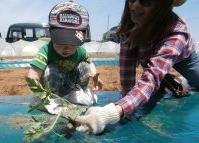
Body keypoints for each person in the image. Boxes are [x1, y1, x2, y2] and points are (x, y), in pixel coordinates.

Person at [74, 0, 199, 134]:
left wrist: (109, 113)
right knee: (153, 92)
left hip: (184, 60)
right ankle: (164, 76)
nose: (135, 5)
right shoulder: (128, 27)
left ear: (163, 6)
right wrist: (124, 107)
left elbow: (151, 79)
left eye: (146, 1)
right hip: (148, 56)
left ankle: (179, 79)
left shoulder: (177, 31)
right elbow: (127, 71)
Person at [27, 1, 102, 107]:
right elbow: (32, 77)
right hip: (52, 86)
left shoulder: (80, 51)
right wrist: (41, 94)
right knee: (50, 69)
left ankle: (77, 94)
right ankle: (51, 98)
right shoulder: (46, 51)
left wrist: (95, 76)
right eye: (61, 42)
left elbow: (90, 63)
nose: (66, 48)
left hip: (71, 84)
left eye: (72, 43)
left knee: (84, 66)